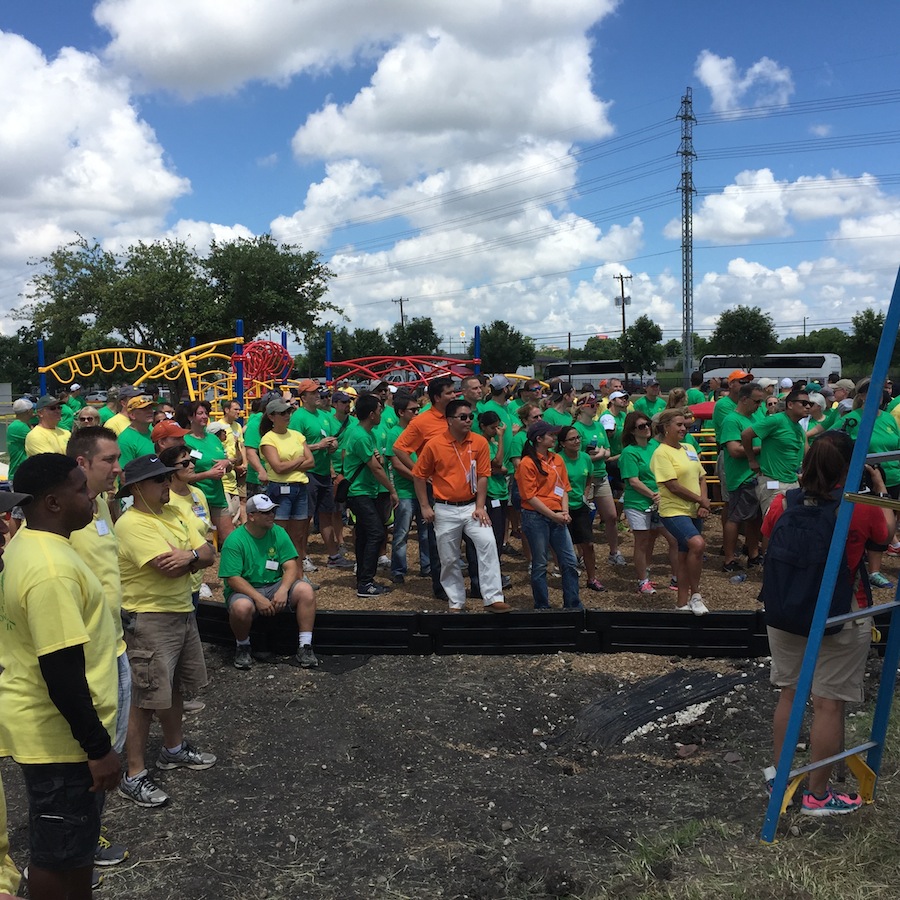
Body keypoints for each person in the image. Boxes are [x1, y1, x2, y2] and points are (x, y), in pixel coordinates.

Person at [0, 455, 119, 899]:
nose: (92, 496)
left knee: (73, 851)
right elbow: (61, 670)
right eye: (81, 489)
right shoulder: (51, 570)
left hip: (56, 731)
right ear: (52, 501)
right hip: (60, 738)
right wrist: (98, 747)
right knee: (55, 854)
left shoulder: (29, 544)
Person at [763, 430, 890, 815]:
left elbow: (769, 539)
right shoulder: (860, 505)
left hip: (785, 607)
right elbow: (883, 540)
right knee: (828, 703)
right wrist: (879, 488)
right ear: (851, 466)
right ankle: (817, 795)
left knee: (789, 692)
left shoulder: (783, 501)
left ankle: (782, 778)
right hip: (841, 609)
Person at [115, 455, 216, 808]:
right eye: (159, 480)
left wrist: (188, 554)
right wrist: (194, 556)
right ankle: (134, 773)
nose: (167, 485)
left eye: (167, 478)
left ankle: (172, 748)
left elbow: (209, 552)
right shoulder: (131, 524)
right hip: (150, 617)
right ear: (136, 488)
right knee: (145, 697)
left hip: (180, 610)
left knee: (171, 685)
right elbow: (169, 570)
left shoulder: (174, 510)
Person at [66, 427, 132, 868]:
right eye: (108, 460)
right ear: (82, 464)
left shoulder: (102, 507)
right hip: (84, 653)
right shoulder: (62, 519)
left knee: (112, 747)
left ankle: (88, 834)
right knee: (86, 754)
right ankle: (73, 849)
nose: (117, 468)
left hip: (115, 644)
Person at [413, 398, 510, 613]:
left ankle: (493, 598)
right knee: (448, 557)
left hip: (471, 506)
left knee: (488, 544)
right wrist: (424, 506)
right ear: (449, 420)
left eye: (470, 417)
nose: (468, 421)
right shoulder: (435, 444)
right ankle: (456, 601)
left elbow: (484, 475)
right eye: (463, 417)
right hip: (445, 507)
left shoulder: (479, 442)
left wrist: (480, 506)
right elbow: (419, 476)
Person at [394, 377, 482, 601]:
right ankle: (442, 587)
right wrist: (421, 473)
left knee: (474, 539)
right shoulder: (422, 421)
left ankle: (477, 585)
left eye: (454, 392)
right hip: (438, 492)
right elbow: (400, 448)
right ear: (436, 397)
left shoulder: (463, 414)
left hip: (467, 488)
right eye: (450, 393)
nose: (455, 395)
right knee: (440, 542)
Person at [219, 494, 318, 670]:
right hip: (247, 589)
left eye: (273, 511)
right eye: (265, 512)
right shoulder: (235, 540)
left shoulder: (278, 532)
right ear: (251, 516)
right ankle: (243, 646)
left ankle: (305, 645)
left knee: (306, 590)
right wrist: (258, 597)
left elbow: (291, 566)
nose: (271, 515)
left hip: (273, 585)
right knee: (241, 607)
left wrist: (283, 589)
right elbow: (233, 578)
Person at [515, 420, 582, 610]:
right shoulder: (527, 464)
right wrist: (555, 516)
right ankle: (542, 606)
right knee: (540, 563)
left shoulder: (557, 459)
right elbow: (530, 497)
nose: (554, 438)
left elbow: (564, 488)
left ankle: (573, 604)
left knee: (569, 562)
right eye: (550, 435)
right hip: (536, 517)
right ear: (538, 439)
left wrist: (564, 511)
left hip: (557, 515)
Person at [651, 408, 710, 615]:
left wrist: (702, 503)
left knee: (686, 555)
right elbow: (672, 486)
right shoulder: (661, 453)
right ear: (666, 428)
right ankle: (696, 595)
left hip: (694, 509)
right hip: (673, 510)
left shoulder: (688, 448)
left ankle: (681, 603)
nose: (684, 428)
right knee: (697, 544)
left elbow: (702, 476)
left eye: (685, 424)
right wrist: (701, 500)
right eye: (679, 425)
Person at [288, 380, 351, 570]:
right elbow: (293, 447)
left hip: (324, 471)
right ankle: (302, 556)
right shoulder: (298, 417)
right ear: (303, 397)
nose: (318, 396)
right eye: (313, 393)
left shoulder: (323, 415)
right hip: (308, 472)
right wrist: (318, 446)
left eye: (319, 393)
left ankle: (333, 555)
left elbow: (330, 439)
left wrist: (332, 446)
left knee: (327, 514)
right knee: (305, 518)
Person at [345, 393, 399, 597]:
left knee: (366, 533)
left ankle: (364, 578)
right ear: (371, 414)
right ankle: (365, 582)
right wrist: (392, 490)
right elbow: (376, 468)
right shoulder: (359, 435)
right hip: (359, 492)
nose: (381, 413)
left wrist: (380, 462)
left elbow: (379, 462)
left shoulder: (370, 433)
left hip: (368, 490)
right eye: (379, 410)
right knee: (376, 533)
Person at [619, 411, 678, 595]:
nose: (646, 429)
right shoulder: (629, 452)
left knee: (673, 539)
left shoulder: (656, 446)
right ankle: (643, 580)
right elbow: (633, 481)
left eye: (647, 424)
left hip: (660, 499)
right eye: (641, 426)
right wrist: (653, 494)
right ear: (632, 431)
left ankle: (676, 577)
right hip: (638, 502)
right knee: (642, 541)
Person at [258, 396, 315, 559]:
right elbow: (278, 468)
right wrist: (299, 460)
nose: (287, 416)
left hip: (300, 487)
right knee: (278, 534)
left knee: (298, 536)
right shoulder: (268, 439)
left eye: (288, 412)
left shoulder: (297, 435)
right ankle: (277, 571)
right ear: (271, 416)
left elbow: (311, 462)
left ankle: (297, 573)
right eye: (282, 413)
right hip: (280, 489)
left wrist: (289, 464)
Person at [157, 444, 214, 605]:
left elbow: (204, 531)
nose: (192, 466)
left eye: (191, 461)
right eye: (185, 463)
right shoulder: (164, 499)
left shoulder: (198, 494)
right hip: (172, 583)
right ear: (170, 470)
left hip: (195, 580)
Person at [741, 387, 811, 518]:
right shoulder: (776, 420)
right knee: (773, 525)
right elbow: (746, 435)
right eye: (804, 403)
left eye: (810, 404)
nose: (808, 407)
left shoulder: (798, 428)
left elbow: (807, 453)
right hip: (773, 482)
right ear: (790, 404)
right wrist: (752, 460)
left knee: (787, 525)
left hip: (793, 482)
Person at [572, 393, 624, 567]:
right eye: (592, 405)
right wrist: (597, 456)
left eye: (596, 404)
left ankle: (614, 552)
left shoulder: (598, 426)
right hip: (585, 478)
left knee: (611, 516)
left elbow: (607, 451)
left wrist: (601, 454)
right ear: (582, 408)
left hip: (601, 476)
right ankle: (581, 555)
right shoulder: (576, 429)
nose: (596, 407)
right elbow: (576, 456)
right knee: (582, 520)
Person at [719, 382, 766, 570]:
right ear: (744, 399)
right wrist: (762, 449)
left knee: (754, 518)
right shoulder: (732, 420)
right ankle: (729, 559)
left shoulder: (755, 417)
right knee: (735, 518)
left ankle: (753, 553)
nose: (759, 405)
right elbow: (734, 450)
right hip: (741, 477)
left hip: (755, 476)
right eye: (756, 401)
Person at [385, 394, 431, 582]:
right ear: (401, 412)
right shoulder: (394, 433)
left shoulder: (419, 431)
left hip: (424, 491)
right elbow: (396, 463)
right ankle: (398, 569)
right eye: (412, 410)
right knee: (401, 533)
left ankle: (427, 566)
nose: (417, 412)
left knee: (426, 532)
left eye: (418, 409)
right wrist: (419, 478)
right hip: (406, 491)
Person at [557, 425, 604, 592]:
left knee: (588, 544)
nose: (577, 441)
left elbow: (589, 476)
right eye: (572, 439)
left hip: (580, 506)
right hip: (562, 508)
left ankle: (592, 578)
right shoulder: (557, 460)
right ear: (562, 443)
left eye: (578, 438)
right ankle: (568, 578)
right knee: (565, 546)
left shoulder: (585, 457)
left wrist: (585, 494)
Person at [180, 399, 235, 543]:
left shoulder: (214, 439)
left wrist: (227, 463)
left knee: (230, 540)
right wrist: (208, 474)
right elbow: (183, 475)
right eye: (200, 413)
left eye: (206, 413)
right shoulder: (185, 441)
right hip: (195, 499)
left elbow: (228, 464)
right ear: (190, 417)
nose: (205, 416)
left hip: (218, 496)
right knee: (196, 541)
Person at [116, 394, 156, 468]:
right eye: (144, 409)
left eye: (150, 408)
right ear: (132, 415)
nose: (149, 411)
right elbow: (125, 474)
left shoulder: (153, 430)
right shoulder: (125, 440)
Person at [6, 397, 34, 483]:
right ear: (28, 411)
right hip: (19, 474)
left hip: (20, 472)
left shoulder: (20, 425)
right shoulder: (19, 427)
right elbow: (36, 438)